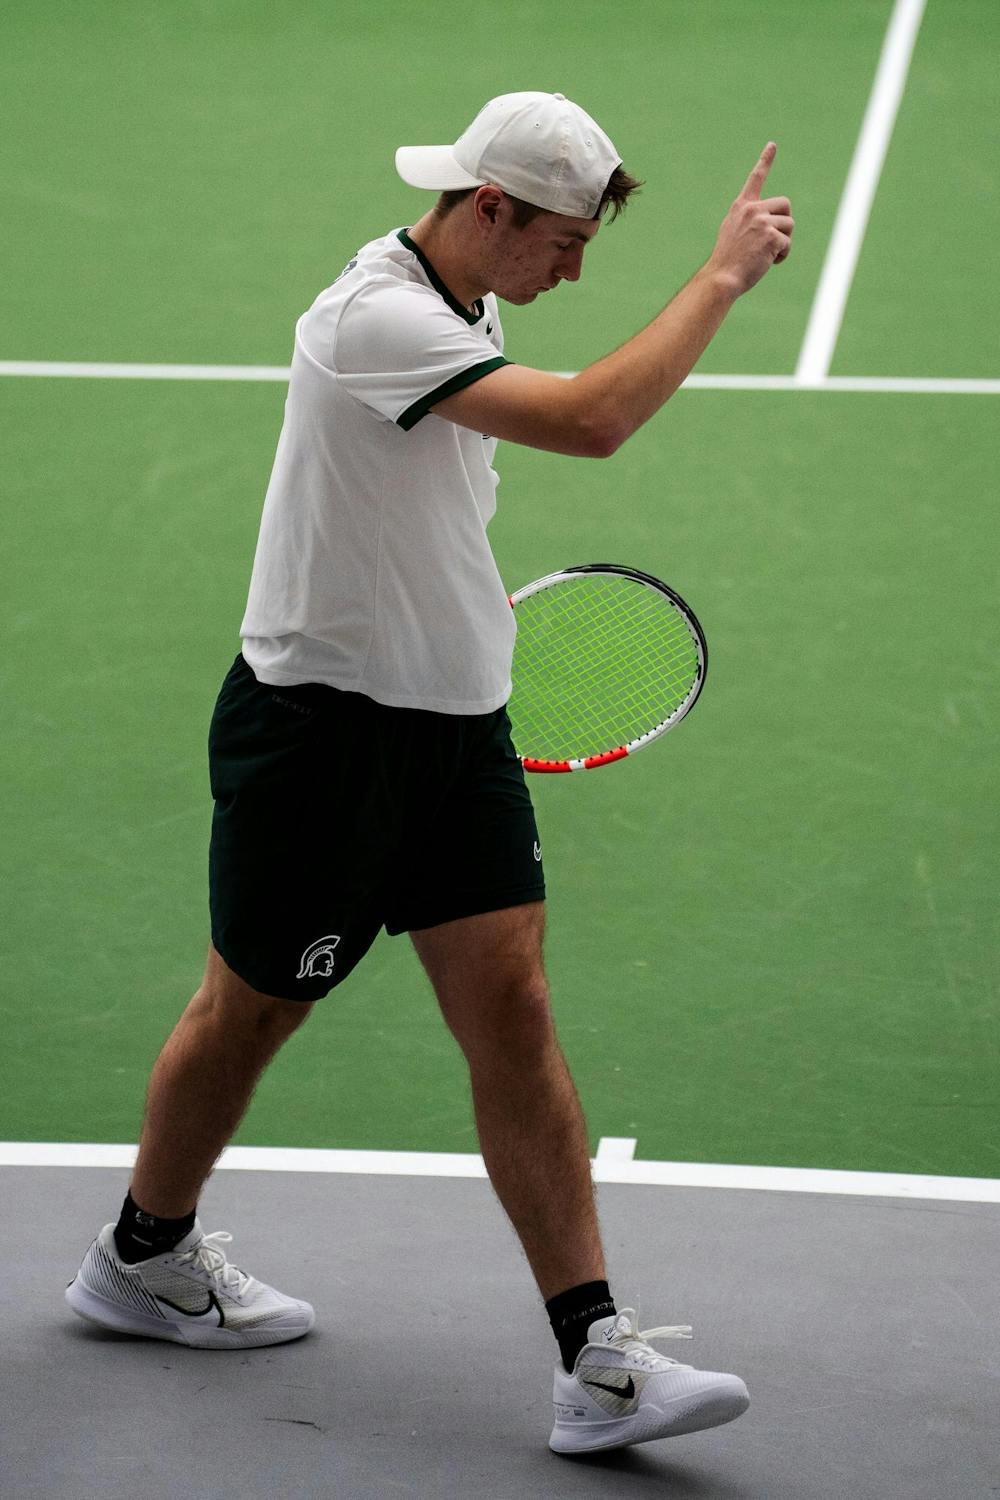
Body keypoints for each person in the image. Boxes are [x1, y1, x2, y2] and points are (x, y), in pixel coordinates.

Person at [66, 91, 793, 1455]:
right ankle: (140, 1256)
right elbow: (588, 422)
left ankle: (597, 1359)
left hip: (455, 730)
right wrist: (719, 281)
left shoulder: (472, 302)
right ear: (487, 208)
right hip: (322, 738)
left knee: (513, 1006)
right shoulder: (372, 318)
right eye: (563, 241)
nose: (573, 270)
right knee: (249, 1013)